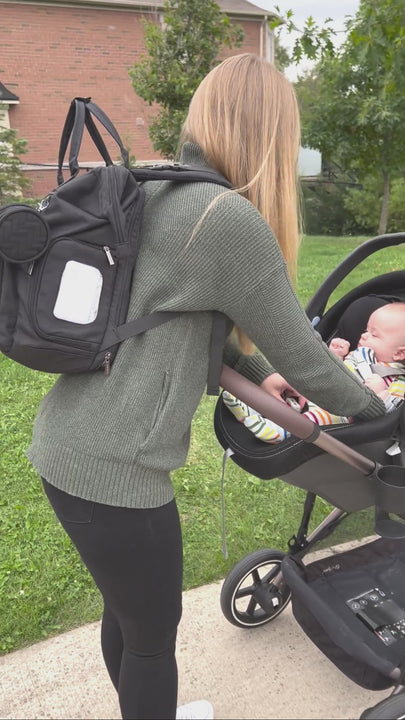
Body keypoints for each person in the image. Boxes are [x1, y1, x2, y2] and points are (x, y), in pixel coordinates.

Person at [26, 53, 387, 720]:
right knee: (150, 645)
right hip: (117, 474)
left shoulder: (159, 189)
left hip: (66, 448)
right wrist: (380, 411)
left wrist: (255, 374)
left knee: (131, 620)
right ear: (270, 137)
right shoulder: (225, 219)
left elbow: (181, 330)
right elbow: (309, 361)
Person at [223, 302, 405, 443]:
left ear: (400, 353)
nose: (364, 335)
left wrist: (381, 393)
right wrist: (336, 355)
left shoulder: (396, 380)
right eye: (366, 330)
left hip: (344, 415)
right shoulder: (357, 356)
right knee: (290, 391)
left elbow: (394, 415)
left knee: (319, 419)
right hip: (321, 391)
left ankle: (281, 431)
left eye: (374, 335)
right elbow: (335, 370)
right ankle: (255, 407)